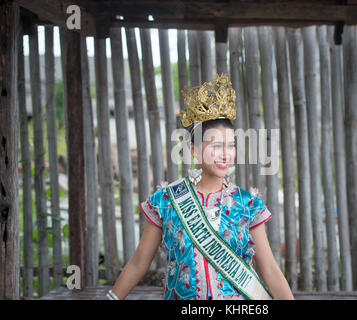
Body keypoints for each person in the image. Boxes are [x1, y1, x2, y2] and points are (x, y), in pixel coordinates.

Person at [107, 74, 294, 300]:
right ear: (194, 149)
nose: (226, 154)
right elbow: (138, 263)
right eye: (216, 145)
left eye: (231, 145)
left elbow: (270, 271)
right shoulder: (167, 201)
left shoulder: (247, 205)